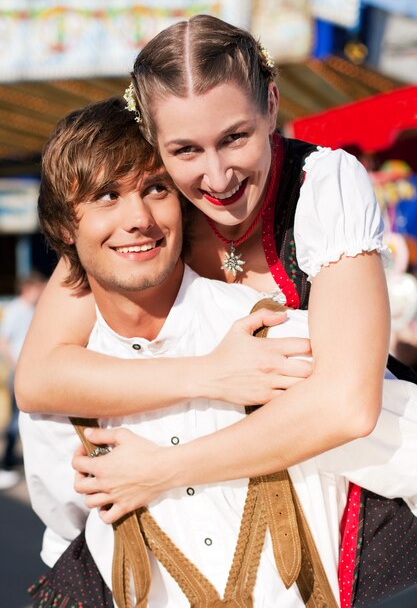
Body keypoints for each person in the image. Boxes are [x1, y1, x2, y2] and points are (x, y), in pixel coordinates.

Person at [21, 97, 417, 608]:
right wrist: (208, 375)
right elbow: (71, 543)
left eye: (155, 188)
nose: (137, 217)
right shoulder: (59, 406)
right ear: (64, 229)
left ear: (184, 206)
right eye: (106, 196)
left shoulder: (273, 340)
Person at [0, 272, 45, 490]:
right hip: (20, 371)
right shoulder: (16, 309)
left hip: (32, 370)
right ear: (27, 289)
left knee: (30, 417)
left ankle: (27, 460)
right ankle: (8, 460)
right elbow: (3, 340)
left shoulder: (33, 309)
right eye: (37, 289)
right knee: (17, 418)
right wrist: (16, 366)